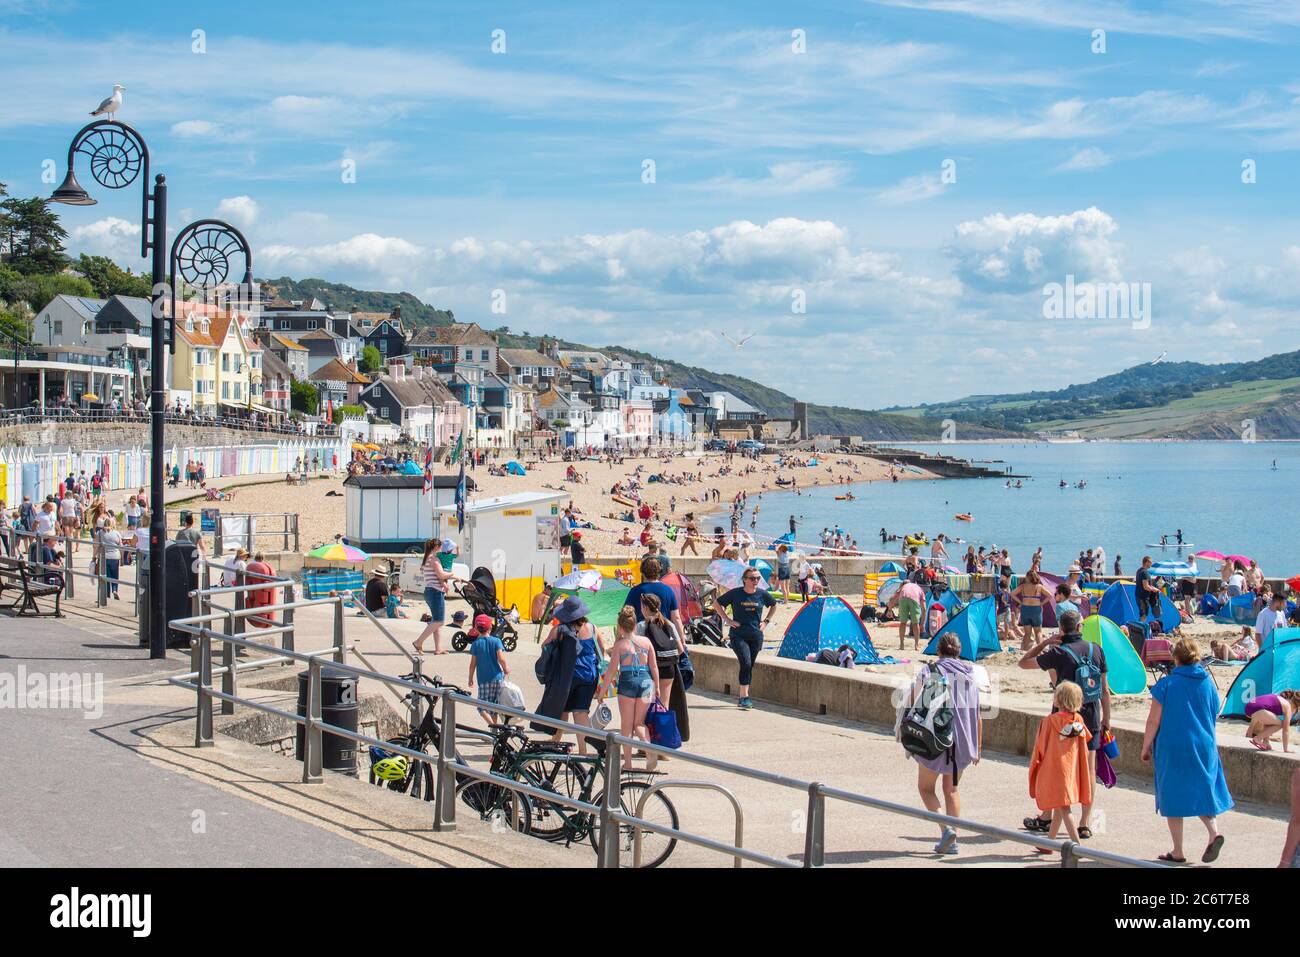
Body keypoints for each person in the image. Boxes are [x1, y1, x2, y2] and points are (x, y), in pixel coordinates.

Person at [1018, 610, 1111, 838]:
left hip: (1062, 718)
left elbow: (1023, 663)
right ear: (1080, 626)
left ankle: (1047, 815)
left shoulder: (1058, 652)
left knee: (1058, 768)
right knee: (1089, 769)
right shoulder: (1095, 649)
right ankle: (1084, 822)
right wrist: (1107, 719)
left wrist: (1045, 643)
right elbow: (1104, 690)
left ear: (1061, 628)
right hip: (1091, 715)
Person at [1142, 637, 1232, 864]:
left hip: (1173, 745)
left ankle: (1178, 850)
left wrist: (1146, 746)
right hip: (1203, 745)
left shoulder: (1167, 684)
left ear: (1176, 658)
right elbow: (1213, 714)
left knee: (1173, 796)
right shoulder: (1208, 684)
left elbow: (1153, 721)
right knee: (1200, 791)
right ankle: (1213, 833)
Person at [904, 631, 983, 855]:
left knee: (925, 788)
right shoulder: (970, 675)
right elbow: (977, 714)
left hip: (934, 739)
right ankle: (954, 841)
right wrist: (977, 747)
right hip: (963, 742)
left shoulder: (930, 671)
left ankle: (946, 829)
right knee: (952, 790)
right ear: (959, 651)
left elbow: (912, 701)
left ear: (938, 650)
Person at [1028, 681, 1092, 853]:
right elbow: (1086, 739)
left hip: (1053, 768)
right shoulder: (1078, 720)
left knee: (1064, 807)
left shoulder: (1049, 722)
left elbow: (1040, 747)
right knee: (1059, 805)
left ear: (1059, 700)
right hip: (1070, 769)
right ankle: (1049, 843)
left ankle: (1076, 847)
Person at [603, 606, 659, 770]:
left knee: (626, 726)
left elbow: (611, 671)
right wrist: (657, 687)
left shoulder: (620, 646)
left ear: (619, 627)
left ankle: (628, 763)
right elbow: (654, 666)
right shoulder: (646, 642)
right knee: (640, 723)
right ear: (635, 625)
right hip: (646, 682)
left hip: (628, 682)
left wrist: (602, 691)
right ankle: (649, 749)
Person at [715, 567, 777, 710]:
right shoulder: (736, 593)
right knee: (746, 663)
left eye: (757, 578)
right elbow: (717, 603)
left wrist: (766, 621)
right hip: (738, 635)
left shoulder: (762, 594)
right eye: (752, 578)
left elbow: (774, 605)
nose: (755, 581)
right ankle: (744, 697)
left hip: (755, 635)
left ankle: (745, 695)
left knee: (749, 665)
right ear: (745, 580)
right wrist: (727, 620)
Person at [413, 538, 459, 655]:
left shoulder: (426, 559)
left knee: (436, 621)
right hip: (435, 592)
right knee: (439, 621)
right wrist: (453, 573)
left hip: (430, 591)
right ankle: (418, 642)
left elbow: (437, 575)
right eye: (440, 547)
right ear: (436, 548)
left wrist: (453, 577)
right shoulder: (434, 559)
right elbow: (441, 574)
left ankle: (438, 648)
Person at [467, 613, 510, 723]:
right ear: (491, 627)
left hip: (484, 680)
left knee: (481, 706)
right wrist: (506, 668)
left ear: (476, 628)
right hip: (497, 678)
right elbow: (501, 658)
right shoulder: (496, 641)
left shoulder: (476, 644)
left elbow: (473, 664)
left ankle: (493, 726)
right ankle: (495, 731)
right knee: (494, 707)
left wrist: (470, 678)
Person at [623, 557, 683, 636]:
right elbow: (676, 618)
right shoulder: (668, 590)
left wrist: (619, 639)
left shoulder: (634, 591)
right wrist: (682, 641)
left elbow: (626, 616)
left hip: (642, 638)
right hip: (664, 639)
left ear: (642, 572)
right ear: (659, 571)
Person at [1012, 569, 1053, 651]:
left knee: (1027, 633)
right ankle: (1040, 650)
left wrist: (1020, 602)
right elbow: (1050, 596)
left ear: (1028, 577)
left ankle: (1023, 650)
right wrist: (1041, 603)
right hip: (1036, 609)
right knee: (1038, 632)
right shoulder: (1039, 586)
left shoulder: (1022, 586)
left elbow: (1012, 594)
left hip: (1025, 609)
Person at [1135, 556, 1162, 623]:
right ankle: (1140, 630)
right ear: (1147, 562)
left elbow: (1145, 585)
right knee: (1144, 615)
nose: (1151, 564)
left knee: (1142, 614)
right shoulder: (1145, 572)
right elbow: (1146, 586)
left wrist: (1153, 588)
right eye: (1150, 562)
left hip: (1139, 595)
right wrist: (1154, 590)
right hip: (1143, 597)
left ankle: (1140, 628)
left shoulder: (1139, 570)